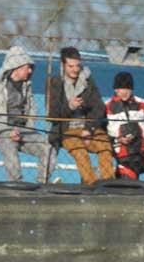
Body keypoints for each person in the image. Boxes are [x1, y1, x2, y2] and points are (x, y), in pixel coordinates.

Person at [0, 46, 56, 183]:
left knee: (48, 146)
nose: (30, 71)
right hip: (0, 130)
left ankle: (43, 182)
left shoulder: (26, 85)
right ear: (17, 66)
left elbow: (31, 109)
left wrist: (29, 129)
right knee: (11, 153)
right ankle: (16, 185)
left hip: (23, 131)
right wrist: (8, 131)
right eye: (27, 67)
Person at [47, 46, 115, 185]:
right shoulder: (55, 83)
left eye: (77, 66)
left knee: (105, 148)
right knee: (80, 152)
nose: (75, 70)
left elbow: (99, 107)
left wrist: (89, 129)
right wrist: (69, 107)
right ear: (63, 65)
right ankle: (91, 185)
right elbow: (52, 114)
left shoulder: (88, 81)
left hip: (89, 127)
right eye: (71, 66)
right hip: (67, 130)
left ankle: (109, 184)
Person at [105, 72, 144, 179]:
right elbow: (102, 133)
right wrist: (117, 140)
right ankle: (123, 172)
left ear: (132, 89)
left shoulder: (142, 103)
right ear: (115, 89)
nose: (125, 92)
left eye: (128, 88)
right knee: (129, 186)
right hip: (124, 155)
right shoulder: (107, 106)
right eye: (121, 88)